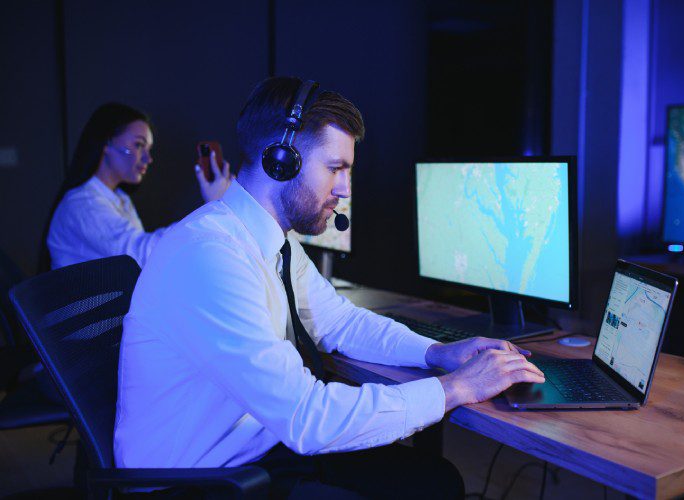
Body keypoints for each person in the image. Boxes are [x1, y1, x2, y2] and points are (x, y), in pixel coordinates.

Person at [114, 77, 545, 499]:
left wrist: (435, 352)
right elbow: (306, 418)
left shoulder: (268, 239)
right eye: (335, 169)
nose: (344, 190)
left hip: (258, 447)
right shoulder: (209, 257)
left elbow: (338, 320)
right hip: (199, 482)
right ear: (280, 159)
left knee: (434, 480)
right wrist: (457, 388)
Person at [44, 102, 232, 270]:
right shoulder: (83, 205)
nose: (147, 158)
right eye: (139, 145)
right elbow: (139, 257)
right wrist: (213, 208)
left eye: (148, 149)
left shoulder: (119, 198)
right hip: (96, 309)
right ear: (106, 143)